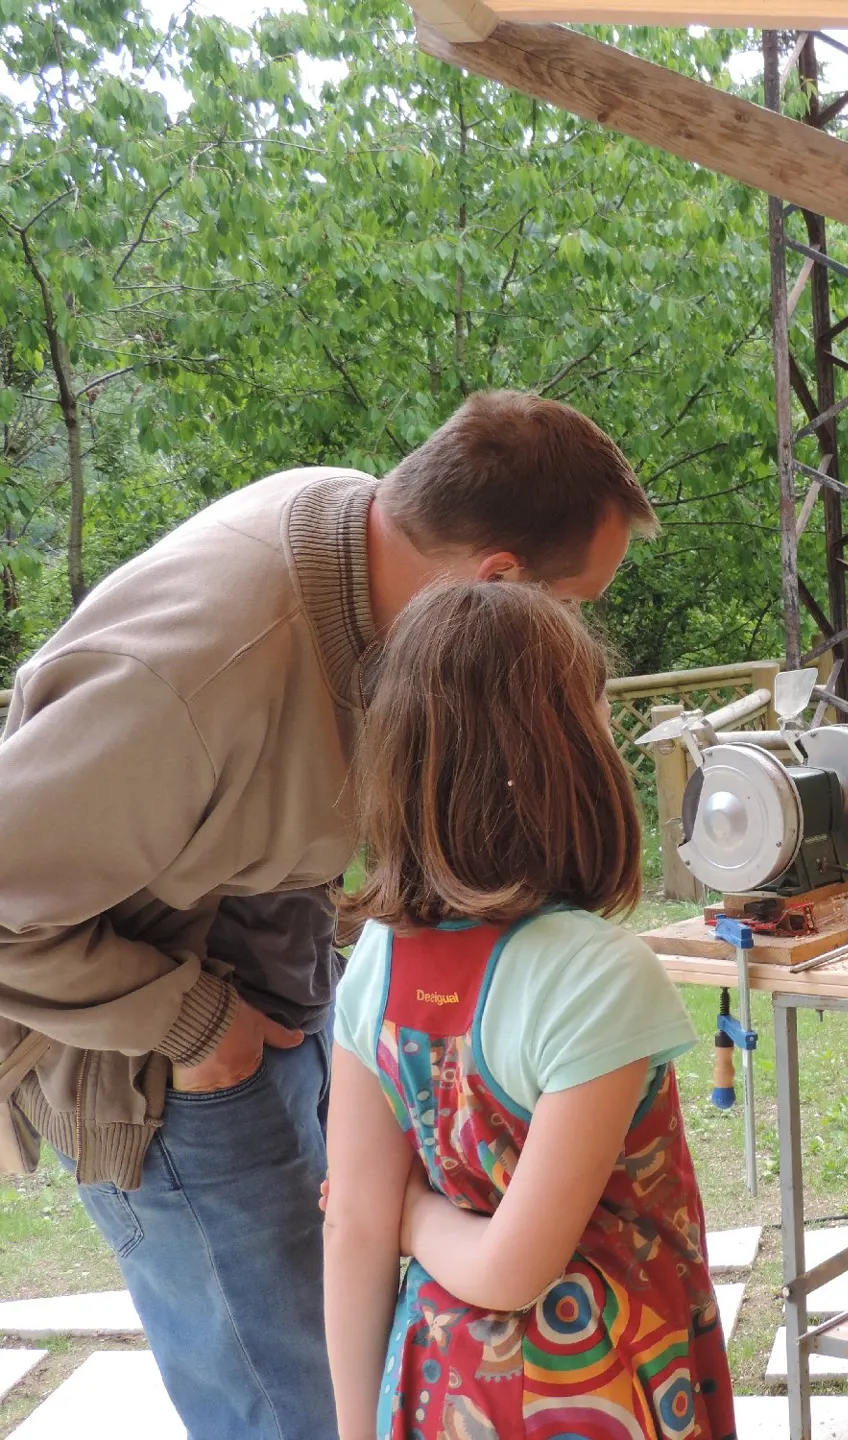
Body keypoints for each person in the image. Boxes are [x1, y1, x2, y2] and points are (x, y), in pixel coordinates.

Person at [0, 391, 657, 1438]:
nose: (574, 630)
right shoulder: (197, 668)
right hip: (162, 1052)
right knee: (289, 1409)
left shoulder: (371, 541)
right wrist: (193, 1028)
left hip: (282, 995)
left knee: (359, 1373)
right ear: (498, 582)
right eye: (573, 604)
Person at [322, 581, 735, 1440]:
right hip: (597, 1395)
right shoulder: (599, 974)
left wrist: (357, 1429)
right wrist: (422, 1218)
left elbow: (354, 1225)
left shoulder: (379, 958)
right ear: (570, 758)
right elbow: (513, 1269)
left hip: (437, 1390)